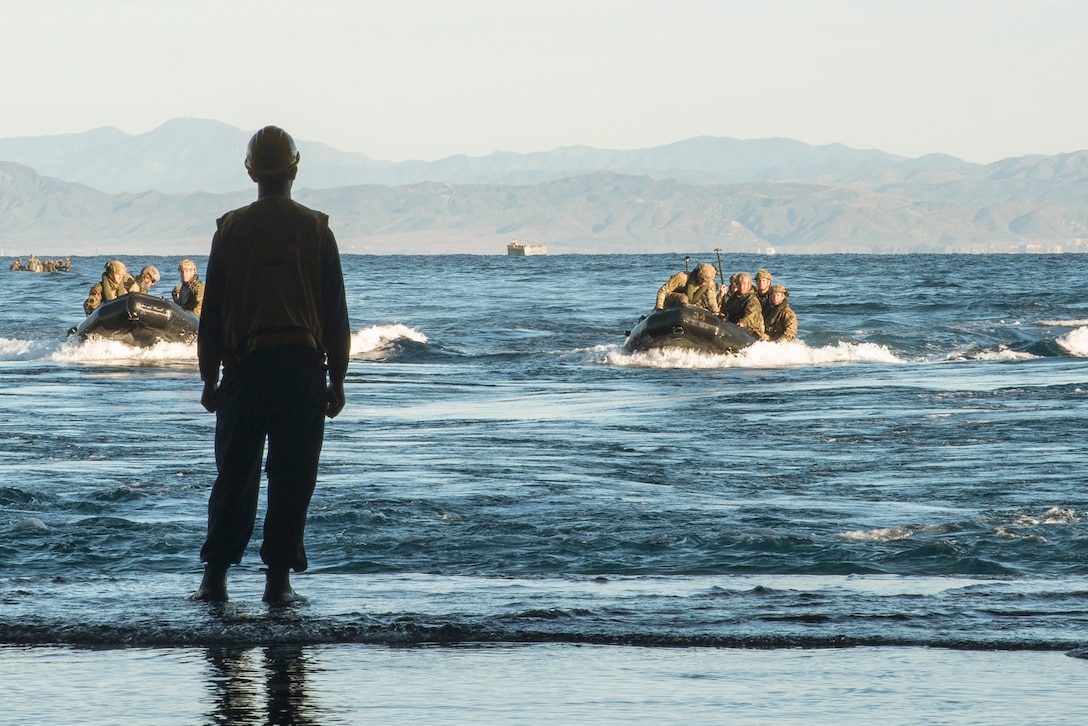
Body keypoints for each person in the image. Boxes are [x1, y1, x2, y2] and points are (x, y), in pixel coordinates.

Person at [192, 125, 351, 605]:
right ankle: (278, 583)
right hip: (301, 371)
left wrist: (208, 378)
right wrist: (338, 379)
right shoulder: (317, 228)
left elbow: (212, 312)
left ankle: (214, 580)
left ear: (250, 170)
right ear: (294, 168)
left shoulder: (230, 229)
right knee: (292, 477)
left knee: (234, 476)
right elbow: (335, 313)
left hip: (244, 371)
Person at [655, 262, 721, 315]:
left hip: (691, 305)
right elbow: (663, 291)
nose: (703, 283)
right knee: (684, 298)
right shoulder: (682, 277)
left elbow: (712, 300)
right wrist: (659, 307)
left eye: (706, 281)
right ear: (698, 273)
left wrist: (716, 313)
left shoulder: (710, 283)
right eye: (702, 279)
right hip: (673, 300)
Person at [721, 271, 767, 339]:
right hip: (735, 328)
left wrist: (743, 322)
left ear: (749, 285)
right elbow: (727, 310)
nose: (742, 287)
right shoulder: (734, 298)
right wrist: (724, 316)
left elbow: (750, 315)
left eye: (744, 284)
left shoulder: (752, 300)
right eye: (739, 284)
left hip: (753, 332)